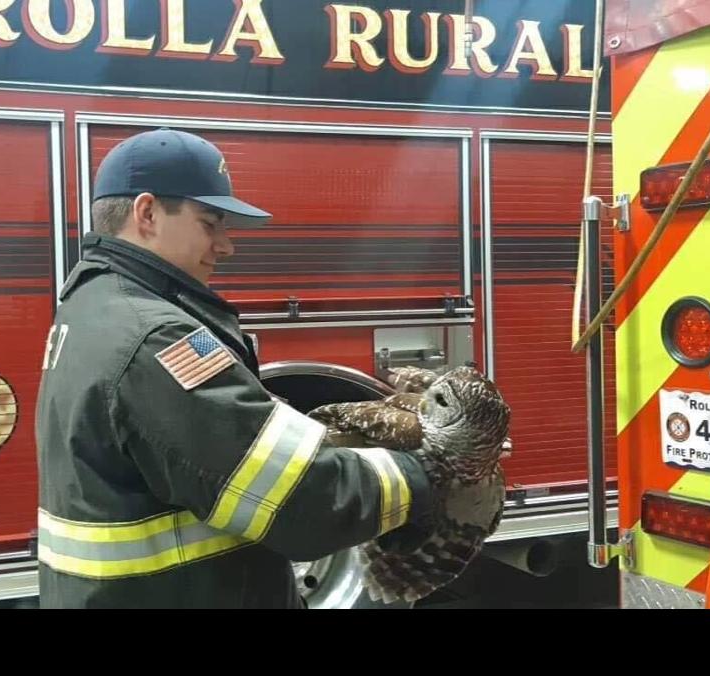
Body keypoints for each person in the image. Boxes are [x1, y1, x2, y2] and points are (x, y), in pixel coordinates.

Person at [35, 128, 446, 608]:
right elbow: (300, 502)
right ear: (146, 213)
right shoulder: (157, 338)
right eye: (210, 223)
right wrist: (427, 473)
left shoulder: (92, 304)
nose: (226, 246)